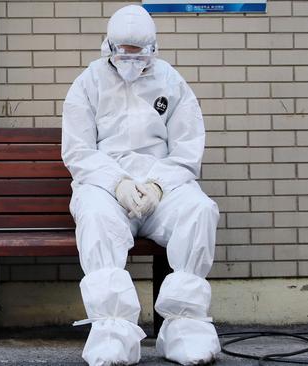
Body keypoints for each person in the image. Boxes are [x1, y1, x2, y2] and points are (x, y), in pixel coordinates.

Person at [61, 4, 220, 366]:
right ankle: (113, 333)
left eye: (139, 54)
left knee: (198, 211)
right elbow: (78, 151)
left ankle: (185, 328)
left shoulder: (170, 81)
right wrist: (117, 183)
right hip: (107, 186)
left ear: (153, 48)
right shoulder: (89, 83)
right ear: (109, 47)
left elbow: (187, 148)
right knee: (97, 220)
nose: (131, 61)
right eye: (123, 53)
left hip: (159, 186)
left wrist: (158, 186)